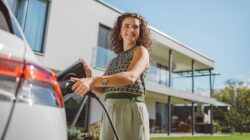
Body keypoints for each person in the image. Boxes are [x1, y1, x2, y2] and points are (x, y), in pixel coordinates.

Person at [71, 12, 152, 140]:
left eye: (135, 27)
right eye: (126, 26)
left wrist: (94, 80)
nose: (131, 29)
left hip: (130, 109)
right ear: (119, 32)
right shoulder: (113, 61)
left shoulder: (141, 50)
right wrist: (90, 81)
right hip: (109, 109)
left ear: (140, 32)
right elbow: (102, 90)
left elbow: (130, 77)